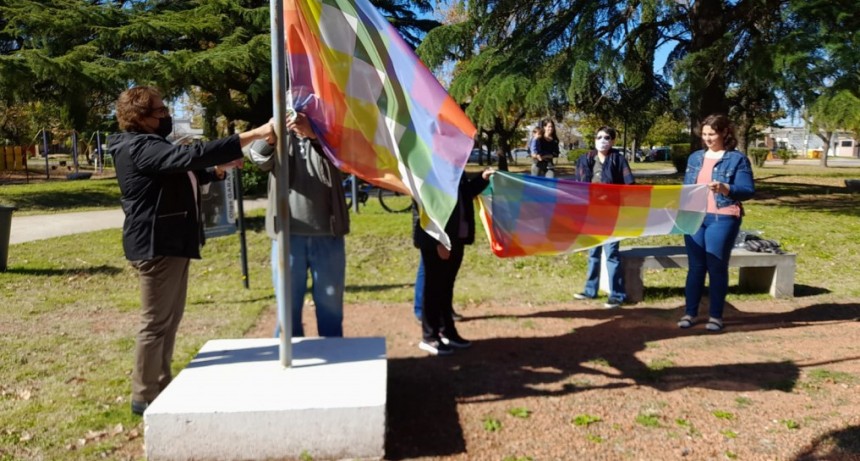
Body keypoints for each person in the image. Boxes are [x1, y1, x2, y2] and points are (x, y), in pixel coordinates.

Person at [110, 86, 275, 416]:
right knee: (155, 323)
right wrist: (255, 133)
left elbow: (179, 170)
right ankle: (144, 396)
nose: (167, 115)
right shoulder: (139, 147)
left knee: (170, 320)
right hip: (157, 246)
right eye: (160, 112)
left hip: (172, 243)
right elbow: (188, 157)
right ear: (140, 119)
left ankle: (160, 383)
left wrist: (215, 169)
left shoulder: (151, 145)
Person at [247, 111, 350, 338]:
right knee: (287, 310)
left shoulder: (330, 131)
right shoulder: (277, 131)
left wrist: (314, 135)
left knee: (331, 308)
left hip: (328, 234)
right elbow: (257, 158)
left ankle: (332, 360)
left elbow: (345, 163)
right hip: (287, 236)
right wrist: (272, 136)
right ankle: (290, 364)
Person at [677, 114, 754, 332]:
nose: (707, 138)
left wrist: (725, 188)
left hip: (722, 217)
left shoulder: (737, 159)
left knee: (716, 267)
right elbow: (686, 189)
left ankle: (715, 316)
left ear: (724, 133)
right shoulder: (694, 158)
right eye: (704, 134)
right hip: (693, 218)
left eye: (712, 134)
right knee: (695, 268)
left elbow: (748, 190)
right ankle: (690, 313)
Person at [414, 168, 493, 356]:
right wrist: (437, 241)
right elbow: (426, 205)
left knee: (446, 285)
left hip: (456, 236)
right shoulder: (430, 166)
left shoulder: (454, 164)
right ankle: (429, 336)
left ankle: (447, 330)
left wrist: (482, 179)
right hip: (438, 239)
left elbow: (465, 194)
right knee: (433, 288)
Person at [572, 126, 635, 308]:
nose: (602, 140)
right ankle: (590, 291)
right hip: (591, 214)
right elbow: (580, 186)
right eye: (599, 137)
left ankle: (617, 295)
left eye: (606, 137)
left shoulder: (618, 159)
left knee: (612, 254)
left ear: (613, 141)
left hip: (613, 214)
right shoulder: (585, 159)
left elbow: (629, 186)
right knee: (593, 253)